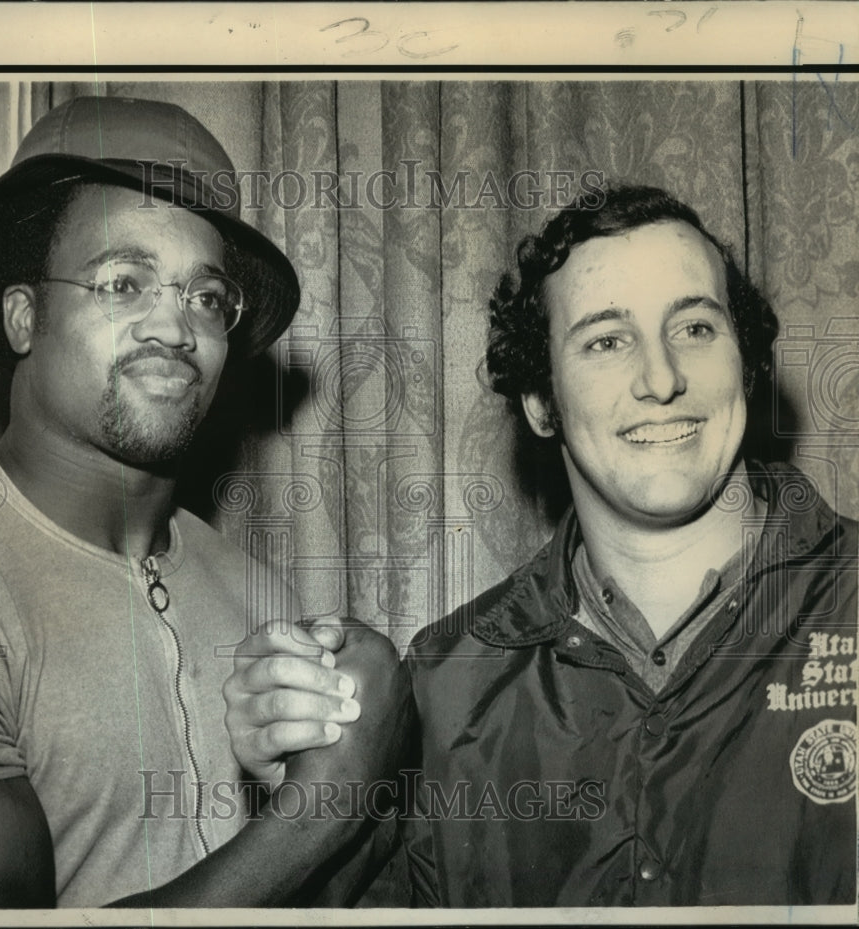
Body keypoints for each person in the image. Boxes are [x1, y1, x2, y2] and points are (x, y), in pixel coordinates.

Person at [223, 185, 858, 906]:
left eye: (696, 328)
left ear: (745, 363)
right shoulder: (448, 683)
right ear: (541, 403)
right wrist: (301, 800)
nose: (663, 378)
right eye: (606, 341)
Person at [0, 95, 410, 909]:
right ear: (26, 316)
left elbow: (324, 890)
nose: (175, 327)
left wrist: (366, 772)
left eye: (206, 297)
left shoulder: (254, 590)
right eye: (124, 281)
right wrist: (322, 808)